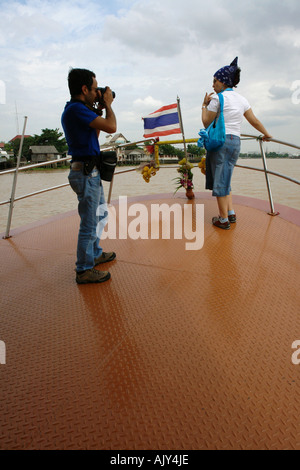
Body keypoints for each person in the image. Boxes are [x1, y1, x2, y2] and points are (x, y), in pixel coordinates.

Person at [202, 57, 272, 229]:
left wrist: (204, 105)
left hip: (220, 142)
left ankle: (223, 219)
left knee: (220, 180)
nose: (213, 85)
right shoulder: (242, 100)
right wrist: (266, 134)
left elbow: (206, 122)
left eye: (215, 81)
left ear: (223, 82)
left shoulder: (218, 99)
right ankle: (231, 212)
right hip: (235, 143)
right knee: (226, 177)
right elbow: (253, 121)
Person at [61, 68, 117, 283]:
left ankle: (94, 254)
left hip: (90, 171)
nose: (97, 93)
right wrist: (109, 105)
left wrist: (100, 110)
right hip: (85, 173)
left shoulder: (79, 110)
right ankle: (84, 269)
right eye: (95, 89)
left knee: (100, 216)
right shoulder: (76, 109)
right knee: (89, 222)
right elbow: (112, 127)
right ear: (84, 89)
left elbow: (96, 132)